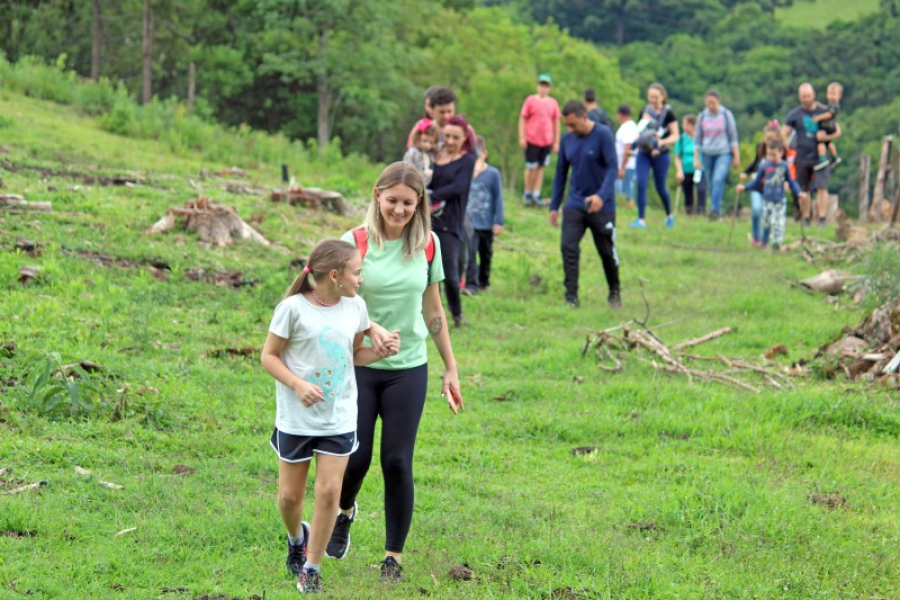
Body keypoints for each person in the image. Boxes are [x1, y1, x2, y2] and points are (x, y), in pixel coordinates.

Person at [328, 162, 464, 584]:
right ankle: (344, 512)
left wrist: (450, 367)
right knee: (356, 459)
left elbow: (433, 309)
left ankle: (393, 558)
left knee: (397, 461)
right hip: (362, 365)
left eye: (408, 203)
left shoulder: (428, 244)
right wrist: (367, 331)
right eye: (392, 201)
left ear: (419, 201)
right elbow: (335, 300)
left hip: (408, 369)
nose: (400, 210)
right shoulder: (355, 242)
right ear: (377, 195)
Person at [260, 239, 399, 594]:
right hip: (296, 417)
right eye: (357, 272)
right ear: (335, 275)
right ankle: (296, 539)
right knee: (290, 497)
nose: (361, 279)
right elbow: (269, 357)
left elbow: (354, 356)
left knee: (327, 492)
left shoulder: (355, 307)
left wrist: (378, 352)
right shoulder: (291, 309)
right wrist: (297, 384)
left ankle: (312, 567)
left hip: (338, 417)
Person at [549, 101, 621, 309]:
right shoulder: (567, 139)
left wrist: (601, 196)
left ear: (584, 117)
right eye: (567, 126)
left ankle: (614, 291)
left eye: (573, 125)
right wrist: (554, 205)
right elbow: (561, 173)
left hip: (601, 205)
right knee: (568, 247)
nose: (570, 129)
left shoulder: (603, 134)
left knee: (606, 251)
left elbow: (612, 167)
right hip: (575, 203)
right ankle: (571, 297)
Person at [429, 114, 477, 328]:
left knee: (450, 273)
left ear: (464, 137)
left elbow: (458, 187)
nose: (449, 141)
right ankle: (431, 315)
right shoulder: (434, 155)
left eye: (455, 137)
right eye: (447, 136)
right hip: (426, 222)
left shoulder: (467, 160)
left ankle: (457, 315)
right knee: (425, 273)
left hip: (449, 224)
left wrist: (429, 195)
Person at [784, 82, 841, 227]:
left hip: (820, 157)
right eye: (803, 96)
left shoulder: (824, 110)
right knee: (804, 189)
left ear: (814, 95)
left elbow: (837, 131)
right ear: (799, 97)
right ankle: (806, 218)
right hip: (802, 156)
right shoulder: (794, 114)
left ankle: (822, 219)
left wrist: (825, 139)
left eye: (808, 96)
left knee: (822, 187)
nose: (806, 99)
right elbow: (784, 133)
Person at [737, 139, 805, 251]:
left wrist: (799, 193)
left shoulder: (784, 166)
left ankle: (777, 244)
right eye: (769, 155)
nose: (771, 158)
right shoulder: (764, 166)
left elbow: (792, 182)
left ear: (781, 153)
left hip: (780, 199)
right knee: (767, 221)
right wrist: (744, 188)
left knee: (778, 222)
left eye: (774, 155)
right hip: (767, 199)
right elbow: (756, 181)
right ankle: (764, 242)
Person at [629, 83, 678, 229]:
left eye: (655, 97)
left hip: (661, 154)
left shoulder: (669, 114)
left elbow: (675, 135)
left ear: (663, 97)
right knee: (641, 183)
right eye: (650, 97)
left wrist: (662, 142)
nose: (653, 100)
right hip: (644, 153)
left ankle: (669, 215)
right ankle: (641, 219)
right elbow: (640, 132)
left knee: (660, 187)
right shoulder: (645, 112)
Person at [463, 136, 504, 296]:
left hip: (486, 223)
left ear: (485, 154)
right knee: (470, 253)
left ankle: (484, 281)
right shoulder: (465, 172)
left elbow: (498, 197)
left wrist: (498, 221)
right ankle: (471, 285)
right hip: (469, 223)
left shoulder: (493, 174)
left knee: (485, 253)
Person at [694, 90, 739, 220]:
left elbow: (733, 136)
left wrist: (736, 156)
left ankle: (714, 211)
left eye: (713, 103)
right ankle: (717, 209)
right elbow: (697, 139)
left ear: (718, 101)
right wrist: (696, 158)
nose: (711, 106)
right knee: (711, 184)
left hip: (723, 152)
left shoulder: (726, 115)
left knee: (718, 179)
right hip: (707, 153)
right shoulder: (702, 116)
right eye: (708, 103)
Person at [740, 122, 788, 246]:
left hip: (772, 188)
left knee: (769, 216)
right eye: (767, 139)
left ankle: (766, 240)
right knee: (756, 210)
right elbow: (755, 163)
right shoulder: (760, 147)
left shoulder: (782, 151)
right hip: (757, 184)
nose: (769, 141)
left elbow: (786, 170)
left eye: (772, 138)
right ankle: (756, 237)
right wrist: (745, 172)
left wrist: (787, 183)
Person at [519, 73, 561, 207]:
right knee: (530, 166)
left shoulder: (553, 103)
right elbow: (523, 118)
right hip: (532, 139)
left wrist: (556, 141)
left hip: (546, 141)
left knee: (541, 167)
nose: (543, 88)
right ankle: (527, 192)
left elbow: (556, 122)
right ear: (538, 86)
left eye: (546, 86)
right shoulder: (530, 100)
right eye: (542, 85)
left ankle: (536, 193)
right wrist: (522, 136)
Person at [674, 114, 706, 215]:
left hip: (700, 169)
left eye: (687, 124)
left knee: (701, 190)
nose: (684, 127)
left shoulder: (701, 138)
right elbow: (677, 156)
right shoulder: (682, 138)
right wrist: (679, 171)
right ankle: (689, 213)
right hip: (686, 169)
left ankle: (701, 213)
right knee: (688, 193)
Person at [813, 82, 843, 171]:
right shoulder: (830, 105)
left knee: (820, 142)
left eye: (833, 94)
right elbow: (826, 109)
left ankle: (822, 159)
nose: (831, 96)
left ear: (839, 96)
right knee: (829, 143)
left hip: (828, 127)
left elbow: (829, 114)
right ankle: (835, 157)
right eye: (829, 93)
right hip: (830, 127)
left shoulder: (835, 106)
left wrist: (818, 118)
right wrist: (820, 105)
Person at [614, 105, 638, 208]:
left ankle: (629, 206)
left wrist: (622, 167)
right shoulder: (632, 126)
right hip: (628, 164)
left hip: (626, 164)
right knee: (626, 188)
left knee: (626, 191)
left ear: (620, 115)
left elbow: (627, 148)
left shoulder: (627, 128)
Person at [403, 118, 438, 185]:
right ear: (417, 139)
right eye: (424, 141)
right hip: (412, 183)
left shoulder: (429, 154)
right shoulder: (412, 153)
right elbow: (406, 168)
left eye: (431, 142)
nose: (427, 145)